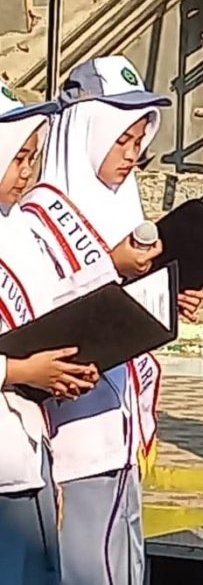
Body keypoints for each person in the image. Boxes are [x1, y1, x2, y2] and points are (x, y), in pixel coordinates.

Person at [21, 55, 203, 585]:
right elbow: (50, 311)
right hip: (77, 437)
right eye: (122, 139)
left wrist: (166, 299)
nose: (132, 154)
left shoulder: (120, 207)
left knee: (126, 568)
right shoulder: (39, 216)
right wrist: (112, 266)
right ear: (87, 132)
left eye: (138, 140)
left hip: (119, 429)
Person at [0, 85, 100, 585]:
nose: (26, 175)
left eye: (32, 159)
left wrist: (61, 369)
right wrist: (20, 371)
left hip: (27, 451)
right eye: (17, 158)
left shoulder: (16, 230)